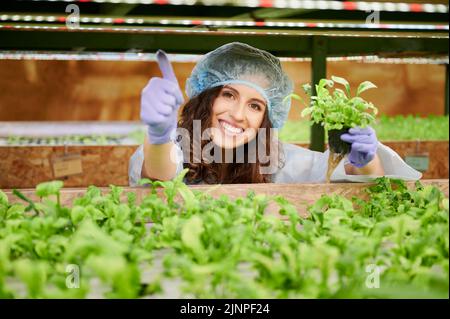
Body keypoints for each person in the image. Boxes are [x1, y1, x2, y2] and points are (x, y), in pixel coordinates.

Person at [129, 42, 421, 186]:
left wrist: (364, 163)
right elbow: (159, 174)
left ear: (266, 120)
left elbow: (344, 180)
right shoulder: (173, 150)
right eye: (228, 95)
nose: (238, 114)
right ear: (205, 98)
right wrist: (157, 135)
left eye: (255, 106)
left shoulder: (280, 162)